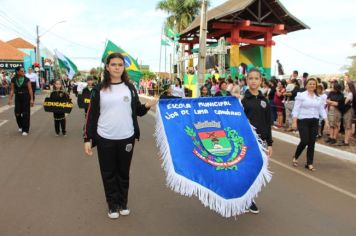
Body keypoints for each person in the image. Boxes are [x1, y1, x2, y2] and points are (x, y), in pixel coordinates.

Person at [83, 53, 156, 219]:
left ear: (124, 68)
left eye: (120, 65)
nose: (117, 67)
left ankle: (122, 203)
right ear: (107, 67)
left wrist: (147, 105)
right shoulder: (98, 89)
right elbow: (91, 115)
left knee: (123, 173)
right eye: (114, 64)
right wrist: (87, 138)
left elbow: (137, 110)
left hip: (126, 137)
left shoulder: (130, 88)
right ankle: (112, 205)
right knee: (108, 173)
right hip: (105, 137)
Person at [241, 68, 273, 214]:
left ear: (261, 81)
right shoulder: (243, 101)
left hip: (261, 143)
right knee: (246, 171)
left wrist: (270, 143)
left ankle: (250, 198)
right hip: (247, 142)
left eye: (256, 78)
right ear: (247, 81)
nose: (253, 81)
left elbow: (267, 123)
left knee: (257, 171)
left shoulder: (264, 101)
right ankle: (246, 199)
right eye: (251, 78)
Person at [291, 78, 329, 171]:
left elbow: (321, 109)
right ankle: (296, 156)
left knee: (312, 143)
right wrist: (294, 121)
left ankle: (309, 163)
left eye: (313, 84)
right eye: (310, 84)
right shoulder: (301, 96)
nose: (312, 85)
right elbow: (296, 109)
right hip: (303, 120)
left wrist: (326, 121)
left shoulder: (319, 97)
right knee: (304, 141)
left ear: (316, 86)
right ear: (306, 85)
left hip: (314, 121)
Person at [8, 66, 34, 136]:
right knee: (17, 113)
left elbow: (30, 89)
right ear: (18, 72)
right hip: (18, 98)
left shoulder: (27, 79)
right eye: (22, 71)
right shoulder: (13, 79)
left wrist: (31, 99)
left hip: (26, 97)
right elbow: (12, 90)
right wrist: (10, 99)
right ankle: (21, 125)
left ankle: (25, 130)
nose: (23, 72)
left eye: (23, 71)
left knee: (26, 114)